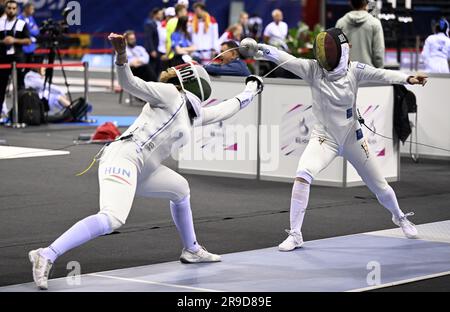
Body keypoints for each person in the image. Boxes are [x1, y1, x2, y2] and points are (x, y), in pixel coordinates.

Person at [28, 32, 264, 290]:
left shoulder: (193, 115)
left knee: (181, 189)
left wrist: (251, 88)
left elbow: (226, 109)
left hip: (145, 170)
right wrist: (121, 56)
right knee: (112, 219)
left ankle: (191, 249)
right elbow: (130, 83)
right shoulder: (168, 94)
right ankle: (46, 254)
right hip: (124, 158)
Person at [249, 28, 427, 251]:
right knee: (303, 175)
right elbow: (286, 59)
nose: (324, 55)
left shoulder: (355, 70)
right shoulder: (313, 69)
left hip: (353, 138)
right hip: (324, 138)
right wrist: (259, 49)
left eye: (329, 50)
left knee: (381, 187)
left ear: (341, 52)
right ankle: (295, 234)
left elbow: (381, 74)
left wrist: (408, 78)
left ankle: (399, 217)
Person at [0, 0, 31, 123]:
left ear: (17, 10)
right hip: (3, 59)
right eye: (9, 8)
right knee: (1, 87)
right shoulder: (0, 23)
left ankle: (20, 114)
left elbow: (28, 40)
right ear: (5, 9)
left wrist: (14, 40)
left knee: (19, 87)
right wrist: (3, 42)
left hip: (17, 59)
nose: (11, 10)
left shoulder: (21, 24)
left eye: (13, 8)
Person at [336, 0, 385, 68]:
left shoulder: (340, 23)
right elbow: (378, 54)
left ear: (350, 3)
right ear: (366, 3)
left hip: (347, 74)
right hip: (369, 74)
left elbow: (338, 52)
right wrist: (379, 72)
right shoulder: (375, 23)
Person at [144, 7, 163, 77]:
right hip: (152, 50)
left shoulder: (157, 23)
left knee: (157, 68)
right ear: (155, 14)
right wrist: (152, 50)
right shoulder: (149, 23)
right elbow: (148, 38)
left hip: (157, 49)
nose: (161, 16)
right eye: (160, 14)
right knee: (152, 69)